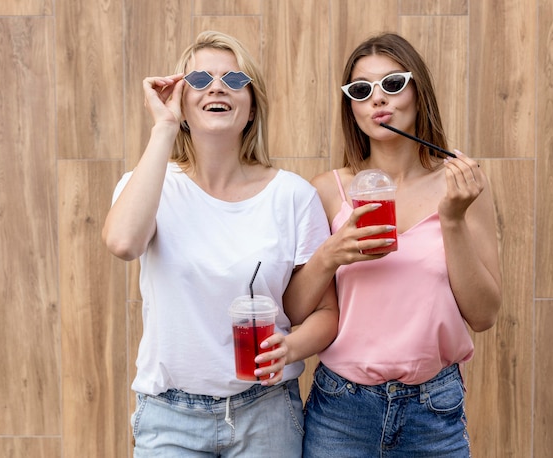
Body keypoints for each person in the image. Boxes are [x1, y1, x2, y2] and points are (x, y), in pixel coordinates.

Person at [102, 30, 338, 457]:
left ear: (251, 108)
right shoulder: (152, 184)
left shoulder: (292, 196)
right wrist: (164, 128)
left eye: (233, 80)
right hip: (169, 416)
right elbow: (122, 243)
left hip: (265, 412)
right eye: (199, 80)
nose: (216, 87)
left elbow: (325, 313)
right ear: (182, 103)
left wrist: (291, 348)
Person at [302, 32, 502, 457]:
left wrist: (452, 219)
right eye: (362, 90)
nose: (378, 99)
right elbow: (295, 311)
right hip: (341, 411)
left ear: (417, 91)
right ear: (351, 107)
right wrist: (330, 255)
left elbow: (483, 315)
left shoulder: (461, 186)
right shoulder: (326, 192)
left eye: (392, 84)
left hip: (433, 410)